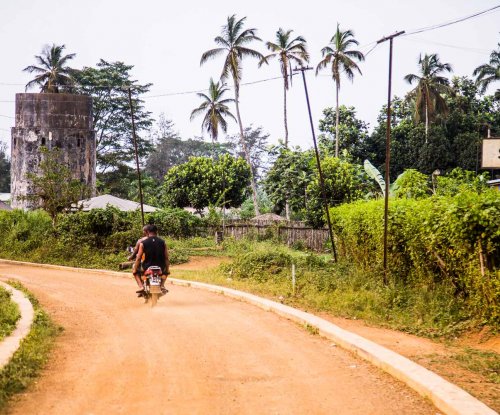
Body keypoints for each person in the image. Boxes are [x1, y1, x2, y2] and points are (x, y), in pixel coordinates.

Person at [134, 224, 170, 296]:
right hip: (160, 266)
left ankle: (141, 287)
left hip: (147, 267)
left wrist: (135, 268)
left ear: (147, 232)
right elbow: (166, 257)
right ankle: (162, 285)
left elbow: (138, 258)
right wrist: (167, 269)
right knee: (166, 272)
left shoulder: (143, 243)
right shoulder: (163, 242)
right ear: (156, 231)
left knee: (135, 272)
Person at [129, 225, 150, 296]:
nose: (143, 232)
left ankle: (141, 287)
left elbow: (135, 253)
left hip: (145, 263)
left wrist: (130, 257)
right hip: (157, 263)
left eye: (143, 231)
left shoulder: (141, 241)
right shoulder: (158, 240)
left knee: (135, 269)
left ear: (146, 232)